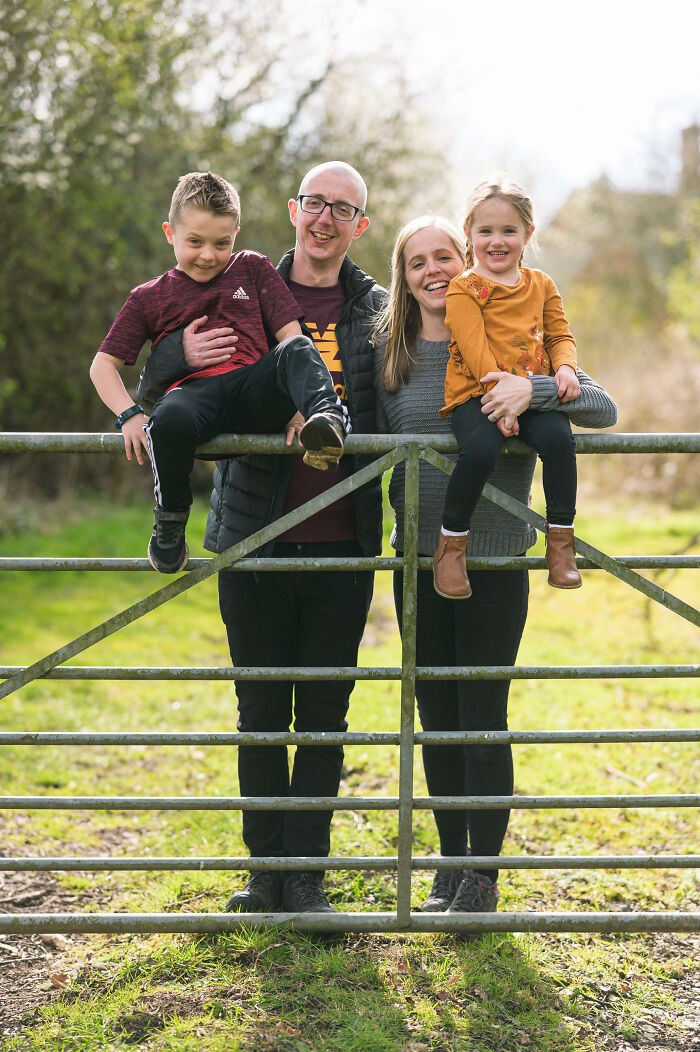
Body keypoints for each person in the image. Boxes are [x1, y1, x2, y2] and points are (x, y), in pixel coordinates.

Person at [138, 162, 384, 913]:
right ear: (292, 209)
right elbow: (164, 400)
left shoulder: (379, 310)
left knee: (323, 716)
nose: (324, 218)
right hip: (252, 535)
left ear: (359, 225)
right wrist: (178, 356)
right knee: (258, 712)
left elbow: (406, 400)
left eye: (342, 209)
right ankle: (263, 874)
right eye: (315, 203)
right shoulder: (231, 280)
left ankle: (305, 877)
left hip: (345, 536)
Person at [374, 215, 617, 916]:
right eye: (417, 261)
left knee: (482, 711)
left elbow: (600, 406)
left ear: (467, 259)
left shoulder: (521, 333)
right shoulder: (389, 353)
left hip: (498, 561)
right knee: (436, 715)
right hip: (417, 561)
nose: (432, 270)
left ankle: (484, 876)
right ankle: (452, 868)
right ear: (404, 274)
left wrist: (529, 389)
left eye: (443, 255)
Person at [89, 171, 348, 574]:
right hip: (194, 399)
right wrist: (129, 414)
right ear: (169, 232)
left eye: (221, 243)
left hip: (252, 391)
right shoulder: (148, 297)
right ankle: (171, 523)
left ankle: (329, 422)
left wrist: (301, 406)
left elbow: (290, 336)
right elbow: (101, 366)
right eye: (195, 242)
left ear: (236, 235)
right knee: (167, 418)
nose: (208, 255)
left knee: (299, 346)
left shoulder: (252, 268)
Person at [434, 176, 582, 601]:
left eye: (508, 231)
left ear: (527, 234)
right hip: (477, 393)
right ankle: (451, 545)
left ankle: (560, 540)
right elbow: (473, 346)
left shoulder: (541, 285)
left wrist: (567, 369)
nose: (496, 242)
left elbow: (559, 336)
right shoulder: (464, 288)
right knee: (480, 450)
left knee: (558, 440)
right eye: (485, 231)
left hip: (532, 392)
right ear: (469, 234)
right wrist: (503, 404)